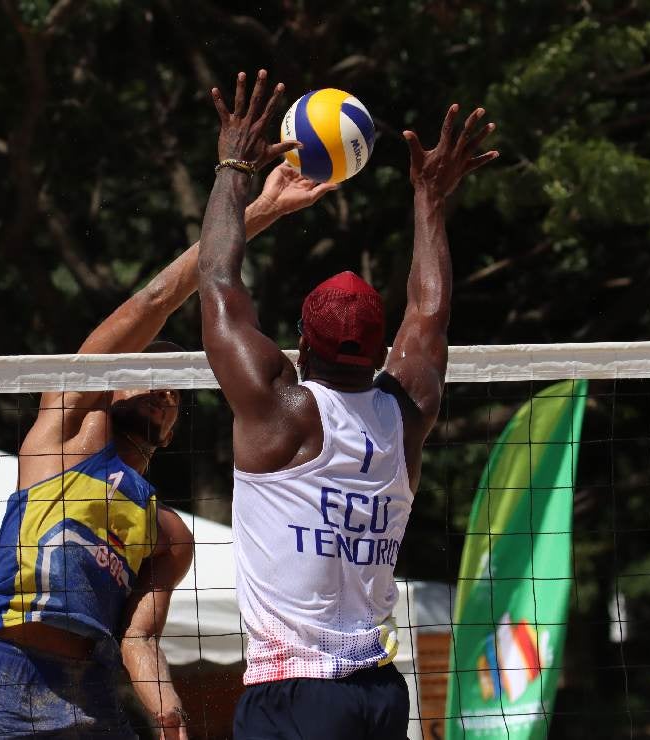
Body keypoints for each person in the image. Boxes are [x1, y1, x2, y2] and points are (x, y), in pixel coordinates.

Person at [0, 162, 339, 739]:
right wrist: (261, 211)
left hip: (90, 690)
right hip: (10, 679)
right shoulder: (64, 432)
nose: (164, 391)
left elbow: (140, 636)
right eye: (150, 373)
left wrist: (169, 712)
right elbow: (158, 298)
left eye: (175, 389)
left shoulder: (169, 534)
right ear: (115, 381)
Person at [196, 69, 497, 739]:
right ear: (377, 348)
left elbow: (217, 284)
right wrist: (428, 198)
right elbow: (429, 314)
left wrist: (233, 167)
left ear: (302, 343)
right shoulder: (403, 416)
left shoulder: (285, 415)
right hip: (378, 693)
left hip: (295, 693)